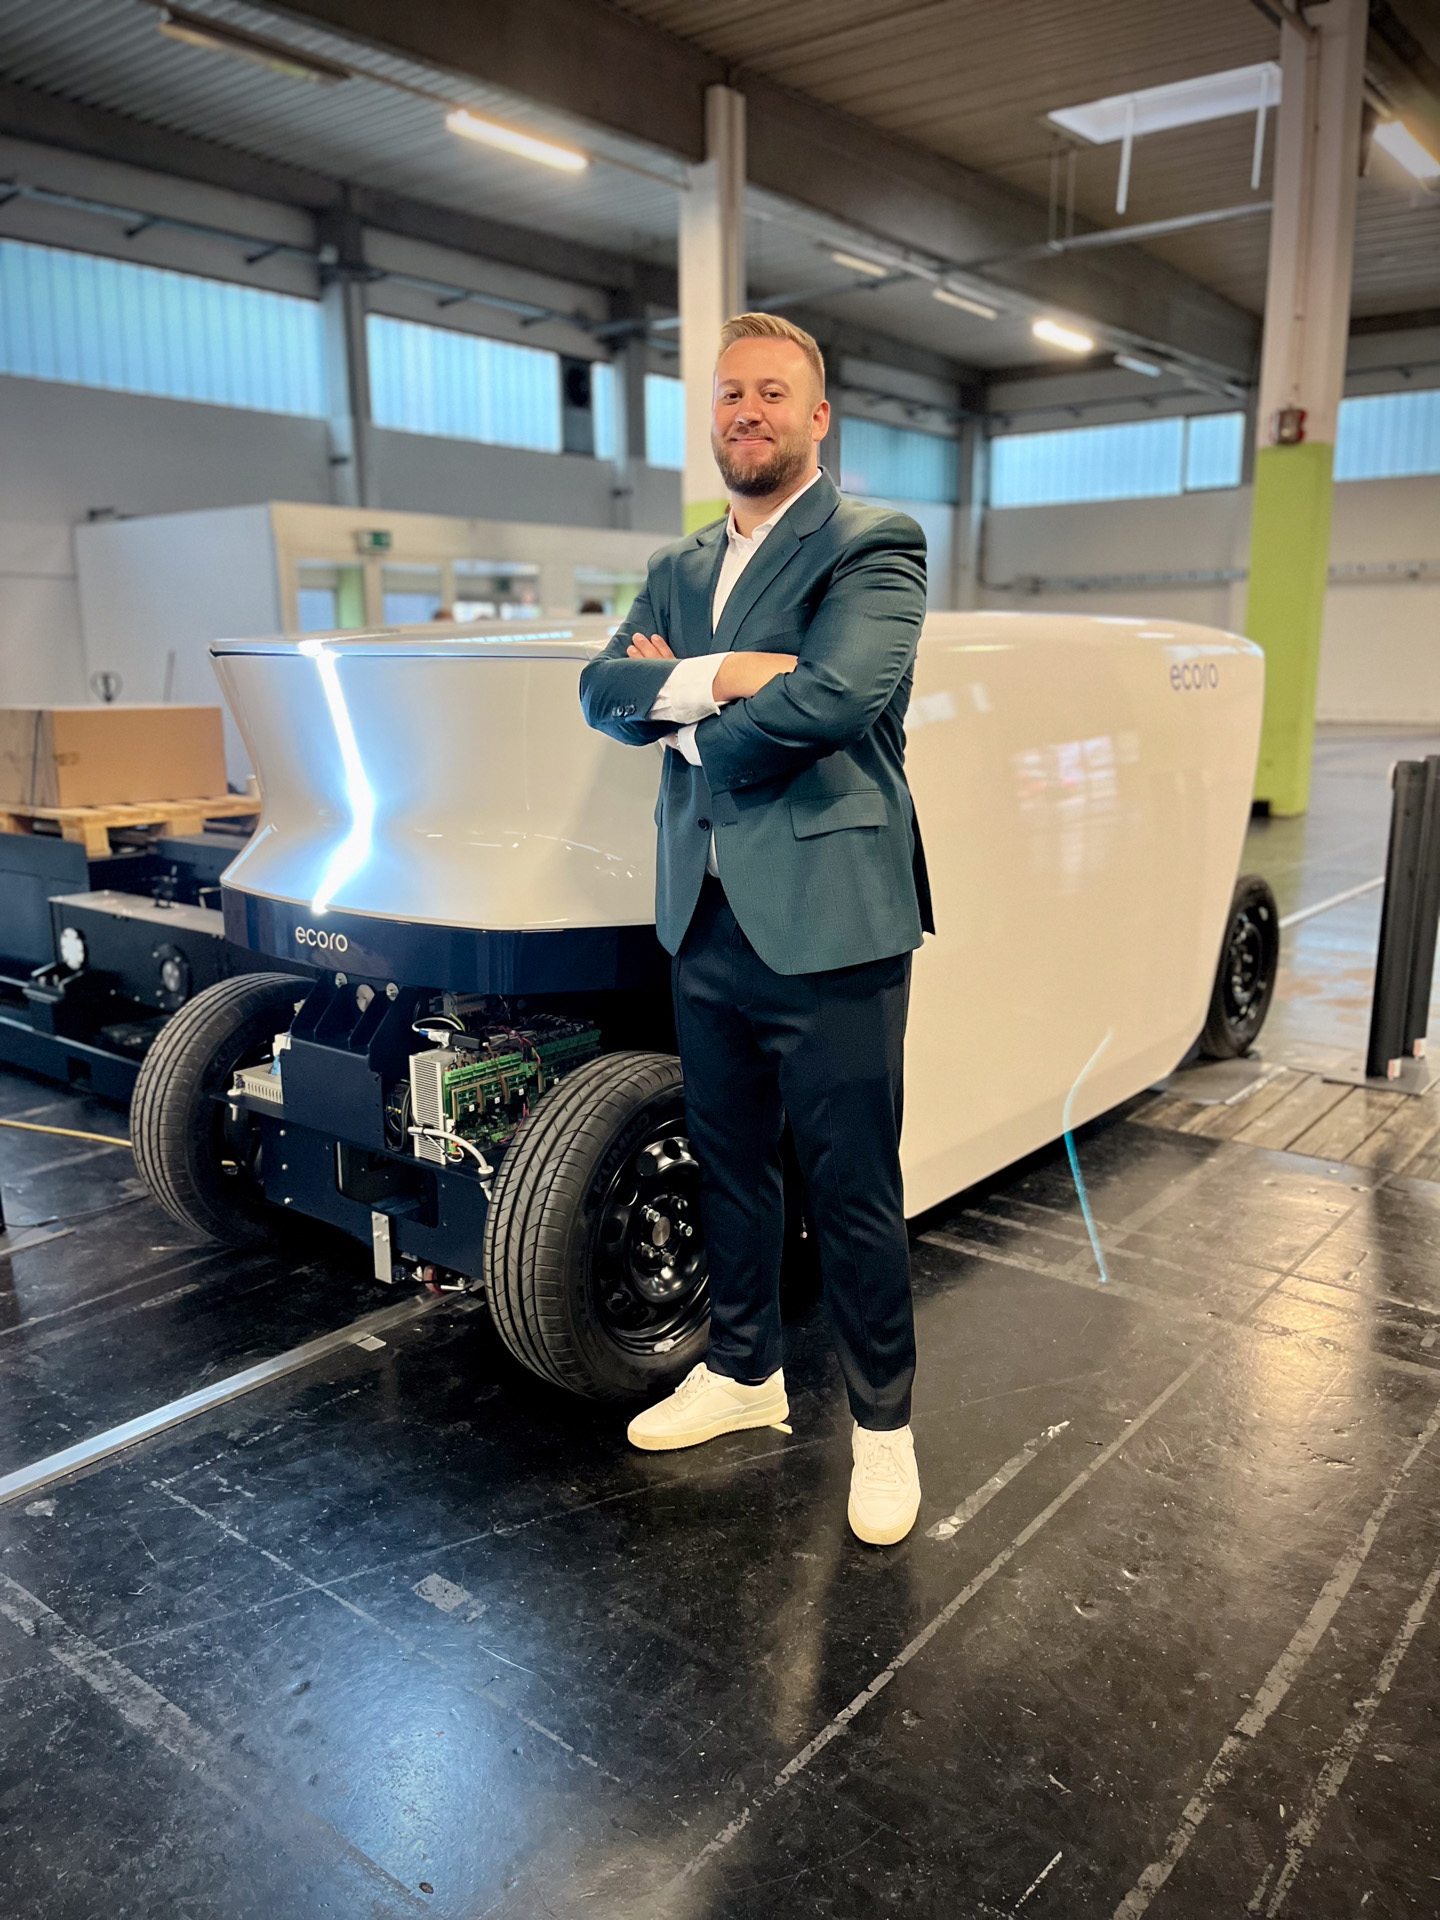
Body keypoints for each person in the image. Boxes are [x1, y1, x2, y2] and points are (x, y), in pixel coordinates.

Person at [578, 312, 932, 1545]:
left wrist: (674, 707)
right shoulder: (679, 566)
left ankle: (884, 1430)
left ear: (817, 416)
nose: (749, 411)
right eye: (731, 393)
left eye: (774, 393)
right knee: (730, 1163)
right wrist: (727, 677)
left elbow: (836, 698)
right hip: (707, 915)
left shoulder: (874, 544)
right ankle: (744, 1374)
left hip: (833, 918)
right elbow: (598, 690)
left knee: (851, 1187)